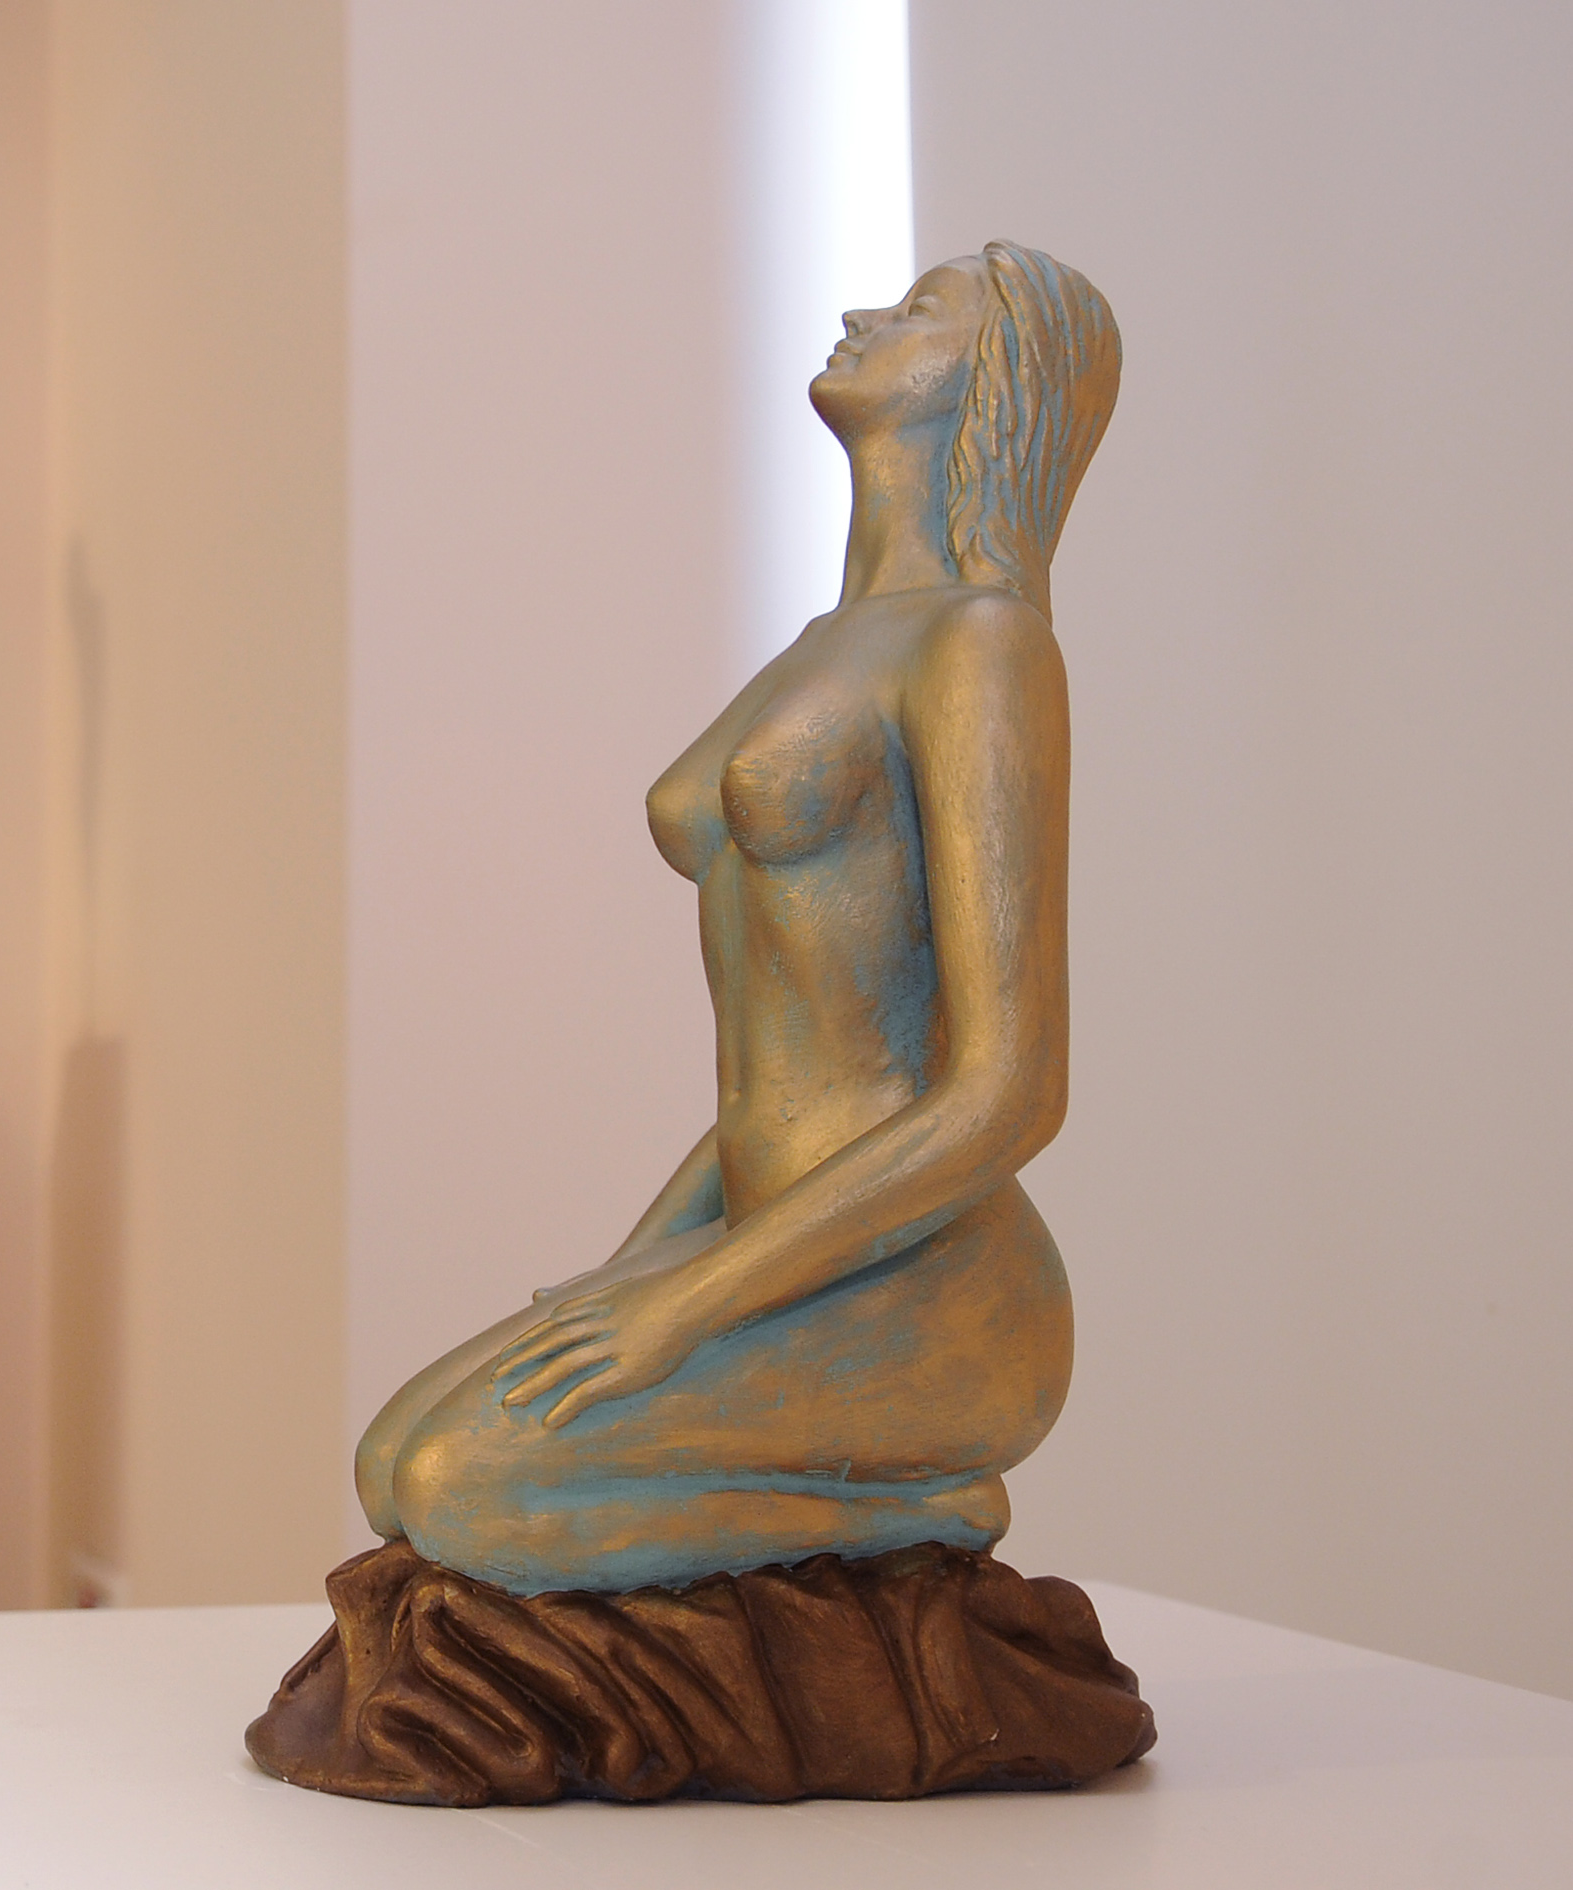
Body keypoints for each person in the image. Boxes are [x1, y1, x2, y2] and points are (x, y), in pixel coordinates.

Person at [356, 243, 1122, 1596]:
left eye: (921, 312)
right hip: (761, 1237)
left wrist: (684, 1305)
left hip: (926, 1284)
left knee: (460, 1489)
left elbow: (1011, 1089)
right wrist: (636, 1271)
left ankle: (919, 1504)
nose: (864, 314)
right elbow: (781, 1069)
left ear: (998, 389)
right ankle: (850, 1496)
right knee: (387, 1467)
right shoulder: (824, 646)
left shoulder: (982, 643)